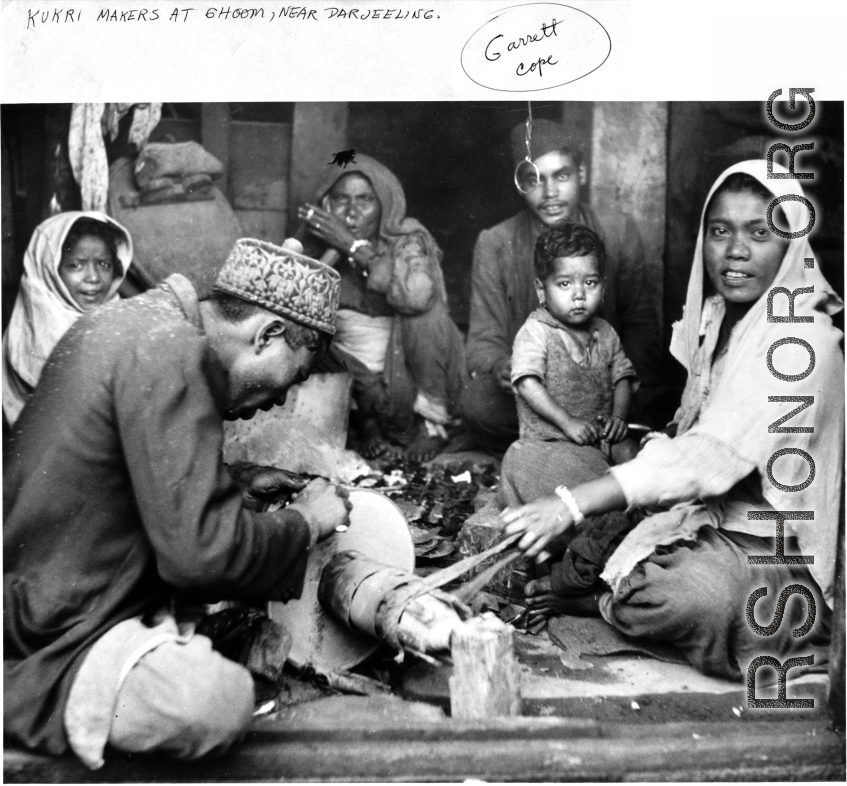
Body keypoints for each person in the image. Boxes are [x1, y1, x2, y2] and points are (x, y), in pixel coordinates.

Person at [4, 237, 352, 768]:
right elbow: (201, 557)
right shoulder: (172, 351)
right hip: (52, 625)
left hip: (39, 587)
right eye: (295, 375)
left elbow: (117, 477)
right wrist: (307, 522)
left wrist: (235, 483)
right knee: (215, 699)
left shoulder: (143, 323)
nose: (282, 399)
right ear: (268, 334)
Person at [501, 161, 843, 680]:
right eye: (720, 230)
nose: (735, 252)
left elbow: (707, 458)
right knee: (537, 469)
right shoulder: (719, 316)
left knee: (690, 597)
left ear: (791, 243)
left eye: (759, 232)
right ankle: (606, 573)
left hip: (770, 542)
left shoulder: (804, 340)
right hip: (704, 509)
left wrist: (573, 504)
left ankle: (597, 597)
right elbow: (690, 434)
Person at [462, 119, 660, 453]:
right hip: (538, 390)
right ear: (520, 185)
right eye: (534, 179)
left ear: (581, 174)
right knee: (476, 403)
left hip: (605, 385)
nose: (550, 193)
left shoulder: (618, 230)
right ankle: (571, 442)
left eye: (562, 175)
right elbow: (482, 343)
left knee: (660, 393)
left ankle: (581, 439)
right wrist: (501, 365)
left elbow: (641, 325)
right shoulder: (495, 243)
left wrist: (617, 393)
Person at [297, 153, 467, 462]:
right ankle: (367, 425)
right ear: (325, 205)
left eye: (365, 200)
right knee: (303, 334)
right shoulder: (314, 245)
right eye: (340, 200)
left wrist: (354, 247)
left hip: (408, 380)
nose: (351, 213)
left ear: (384, 204)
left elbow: (416, 296)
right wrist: (330, 253)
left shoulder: (408, 238)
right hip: (358, 387)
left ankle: (431, 424)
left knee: (424, 313)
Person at [500, 222, 639, 597]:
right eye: (564, 285)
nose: (579, 296)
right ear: (540, 290)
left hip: (597, 441)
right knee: (594, 487)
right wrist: (567, 421)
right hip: (549, 444)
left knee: (636, 458)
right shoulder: (536, 332)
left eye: (590, 284)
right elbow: (527, 382)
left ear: (603, 286)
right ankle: (590, 557)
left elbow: (622, 377)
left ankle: (628, 524)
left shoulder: (605, 333)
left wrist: (619, 421)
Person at [2, 211, 133, 427]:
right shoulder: (37, 327)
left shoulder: (120, 313)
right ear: (50, 270)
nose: (93, 278)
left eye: (104, 264)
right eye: (76, 265)